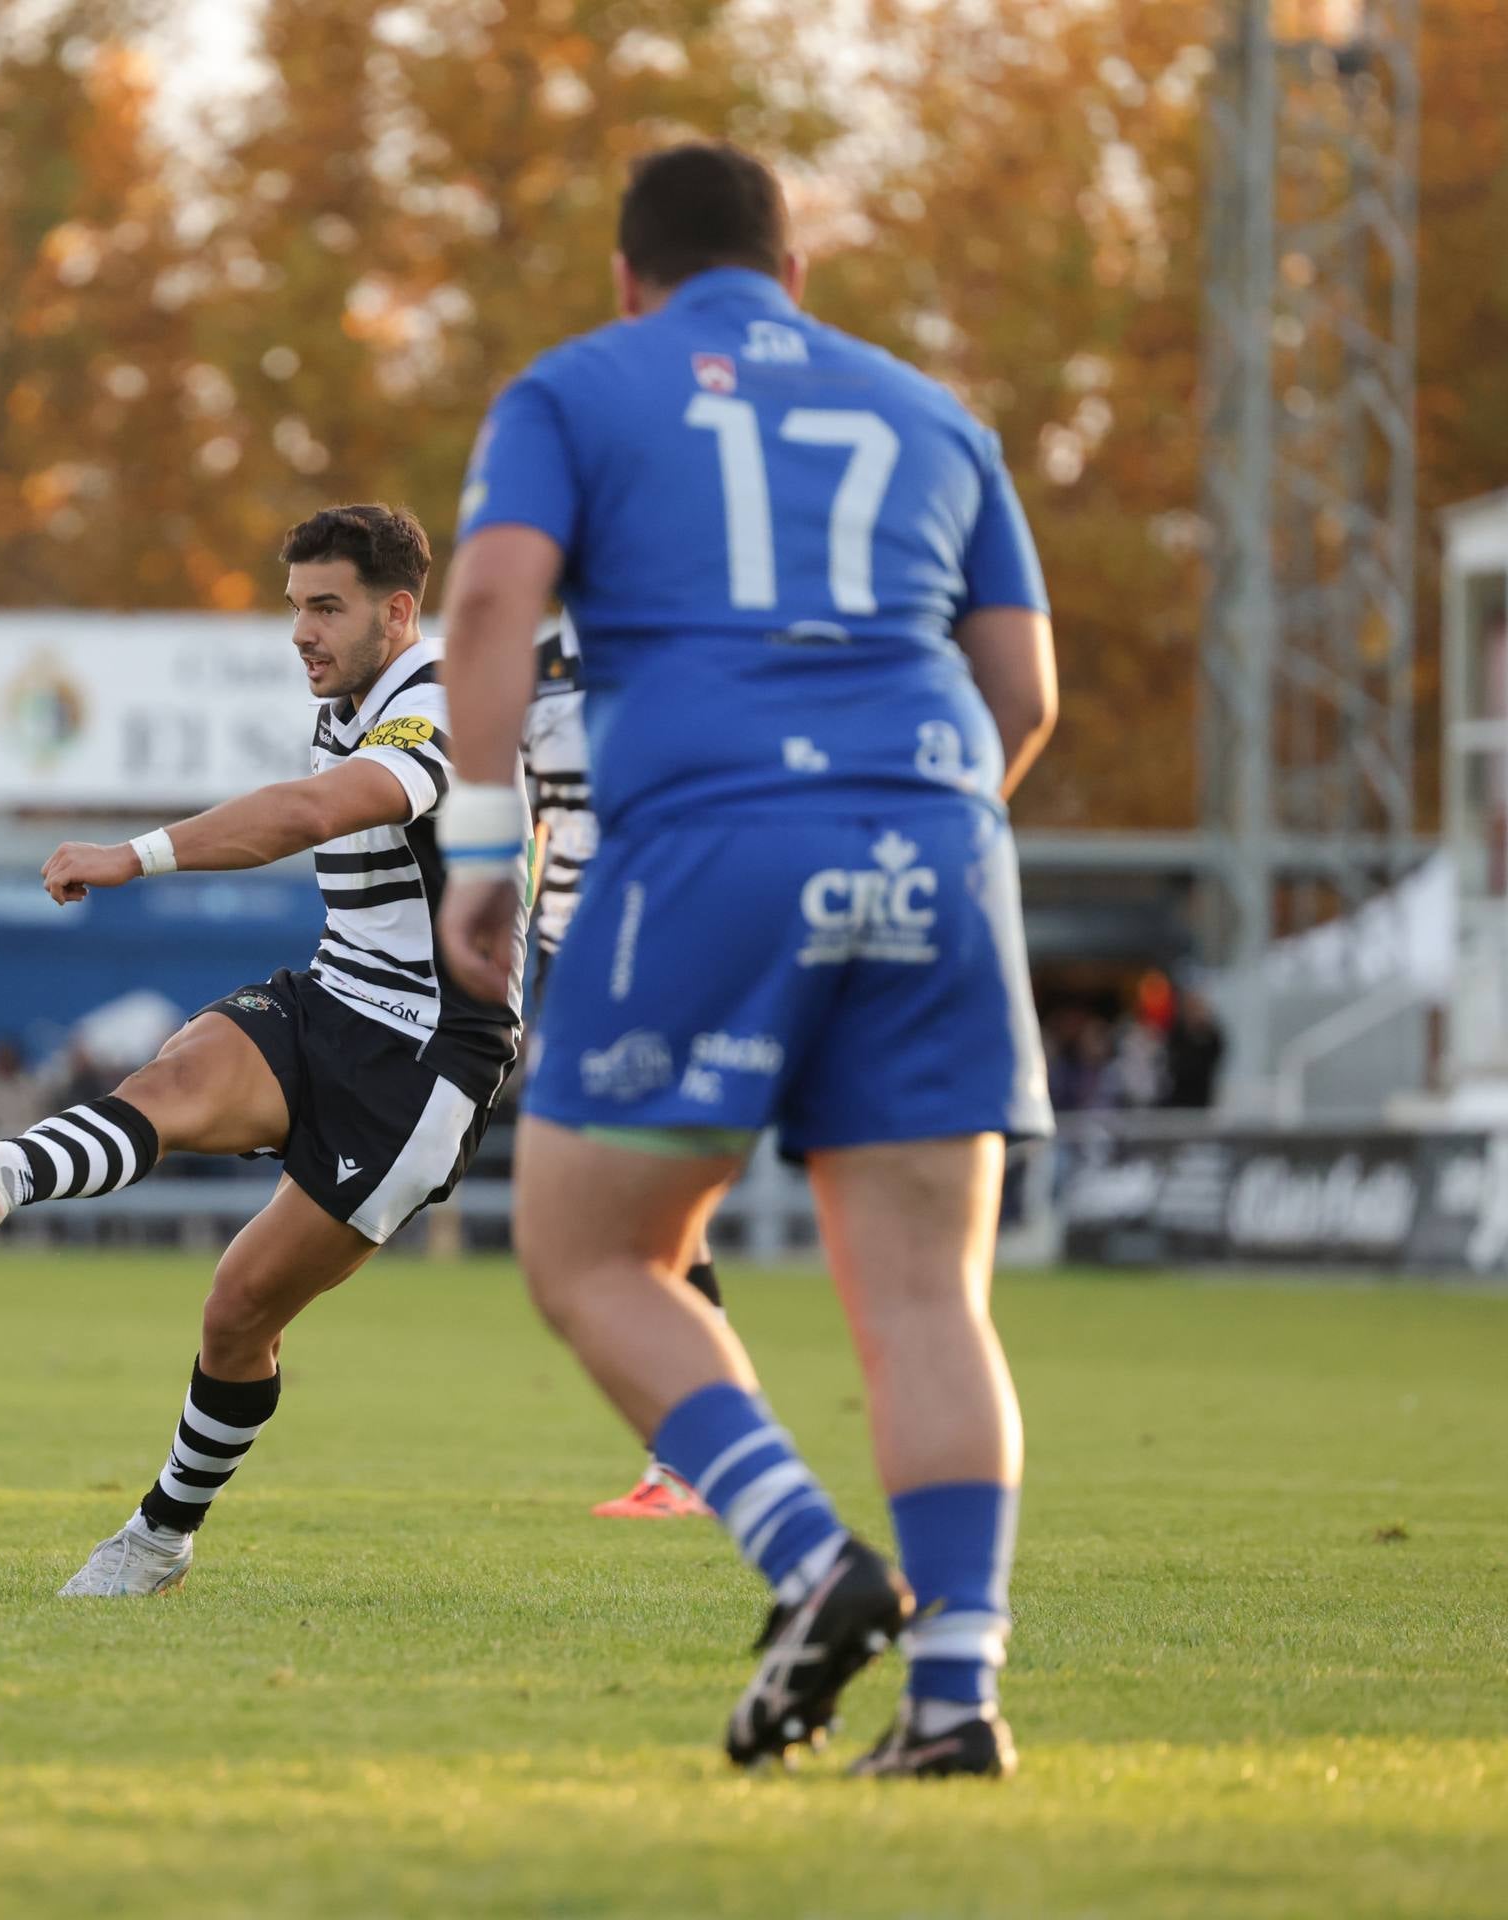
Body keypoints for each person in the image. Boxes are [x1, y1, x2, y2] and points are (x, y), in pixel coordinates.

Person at [432, 144, 1058, 1778]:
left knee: (589, 1251)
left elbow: (494, 593)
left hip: (708, 831)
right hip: (929, 831)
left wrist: (488, 854)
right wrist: (907, 834)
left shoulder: (576, 386)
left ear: (629, 279)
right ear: (795, 279)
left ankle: (804, 1559)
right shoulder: (932, 414)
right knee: (928, 1295)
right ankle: (955, 1700)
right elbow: (1024, 694)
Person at [0, 503, 527, 1597]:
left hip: (424, 1061)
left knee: (238, 1310)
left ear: (398, 613)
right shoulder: (350, 697)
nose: (301, 633)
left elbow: (313, 811)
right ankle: (3, 1169)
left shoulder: (442, 704)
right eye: (294, 609)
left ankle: (160, 1534)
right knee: (174, 1075)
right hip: (334, 997)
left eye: (327, 608)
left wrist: (134, 856)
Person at [523, 608, 719, 1522]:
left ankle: (694, 1459)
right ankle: (694, 1459)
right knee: (633, 1220)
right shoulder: (533, 658)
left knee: (645, 1211)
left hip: (666, 941)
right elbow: (519, 820)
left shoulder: (683, 638)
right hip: (570, 954)